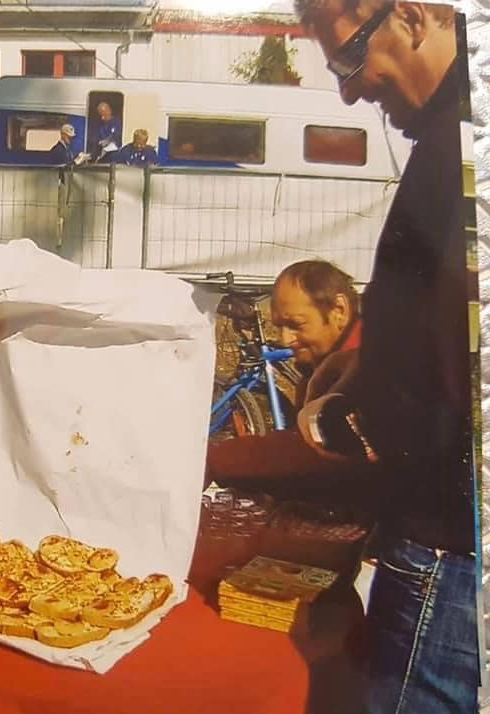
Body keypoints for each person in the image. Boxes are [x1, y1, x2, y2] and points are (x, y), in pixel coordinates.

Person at [293, 2, 477, 711]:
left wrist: (366, 417)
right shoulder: (448, 132)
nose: (348, 89)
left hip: (449, 551)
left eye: (348, 58)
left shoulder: (466, 138)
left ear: (411, 15)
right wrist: (375, 363)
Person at [206, 261, 365, 504]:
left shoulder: (359, 370)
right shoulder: (329, 367)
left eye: (296, 325)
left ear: (339, 310)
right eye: (280, 326)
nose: (285, 339)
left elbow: (309, 454)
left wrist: (217, 461)